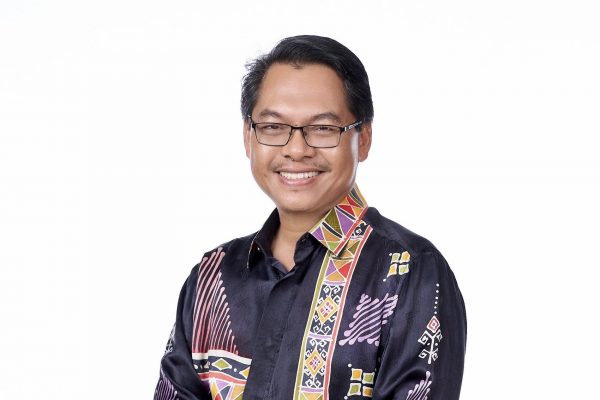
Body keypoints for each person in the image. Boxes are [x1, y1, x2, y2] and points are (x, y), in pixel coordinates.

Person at [154, 35, 466, 400]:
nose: (296, 149)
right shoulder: (213, 276)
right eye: (273, 127)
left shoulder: (409, 271)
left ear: (364, 138)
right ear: (248, 137)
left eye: (323, 128)